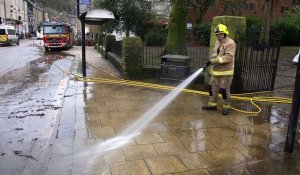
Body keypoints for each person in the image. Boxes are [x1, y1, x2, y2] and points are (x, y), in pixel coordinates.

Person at [202, 24, 236, 115]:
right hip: (215, 71)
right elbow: (215, 54)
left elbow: (228, 57)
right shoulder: (217, 42)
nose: (219, 36)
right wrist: (210, 61)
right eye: (217, 34)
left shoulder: (231, 43)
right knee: (212, 89)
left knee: (224, 90)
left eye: (220, 34)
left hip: (226, 72)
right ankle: (212, 105)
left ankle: (226, 107)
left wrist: (215, 60)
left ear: (225, 33)